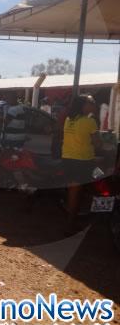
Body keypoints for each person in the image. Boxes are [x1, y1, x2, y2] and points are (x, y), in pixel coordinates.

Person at [62, 94, 102, 234]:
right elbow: (98, 144)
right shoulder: (89, 122)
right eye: (91, 102)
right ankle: (70, 223)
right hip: (83, 161)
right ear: (83, 105)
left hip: (68, 159)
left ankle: (72, 218)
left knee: (74, 191)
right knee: (101, 176)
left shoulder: (69, 119)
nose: (94, 105)